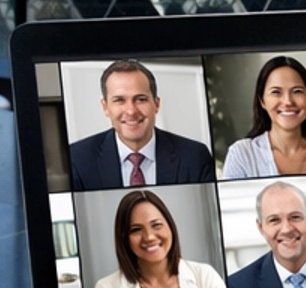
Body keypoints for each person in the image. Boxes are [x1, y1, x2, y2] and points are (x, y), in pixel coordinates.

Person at [69, 59, 215, 191]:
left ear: (156, 104)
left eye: (140, 99)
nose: (131, 111)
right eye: (119, 100)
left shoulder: (195, 157)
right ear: (105, 107)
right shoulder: (77, 160)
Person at [89, 189, 229, 288]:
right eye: (136, 230)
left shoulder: (206, 277)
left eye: (156, 225)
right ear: (124, 238)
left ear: (170, 227)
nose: (149, 237)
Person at [221, 56, 306, 178]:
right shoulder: (241, 155)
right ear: (262, 101)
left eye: (297, 91)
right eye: (276, 92)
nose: (288, 102)